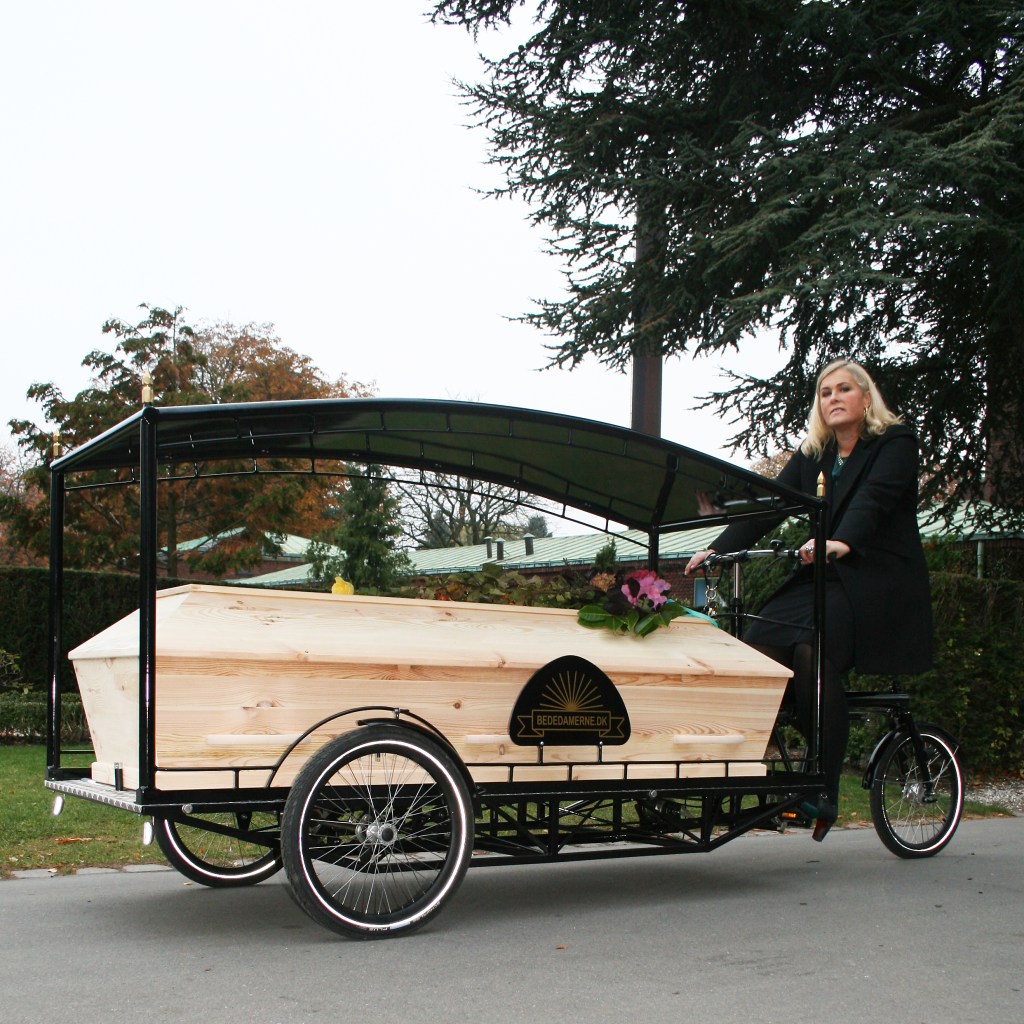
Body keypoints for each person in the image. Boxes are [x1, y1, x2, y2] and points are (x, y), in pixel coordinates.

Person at [685, 358, 932, 841]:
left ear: (866, 397)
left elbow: (874, 498)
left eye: (844, 389)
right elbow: (771, 505)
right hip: (822, 573)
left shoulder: (895, 443)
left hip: (872, 579)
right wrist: (719, 548)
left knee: (812, 651)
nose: (834, 398)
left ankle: (823, 788)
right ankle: (741, 772)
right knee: (757, 651)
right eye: (825, 392)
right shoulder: (816, 453)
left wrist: (841, 541)